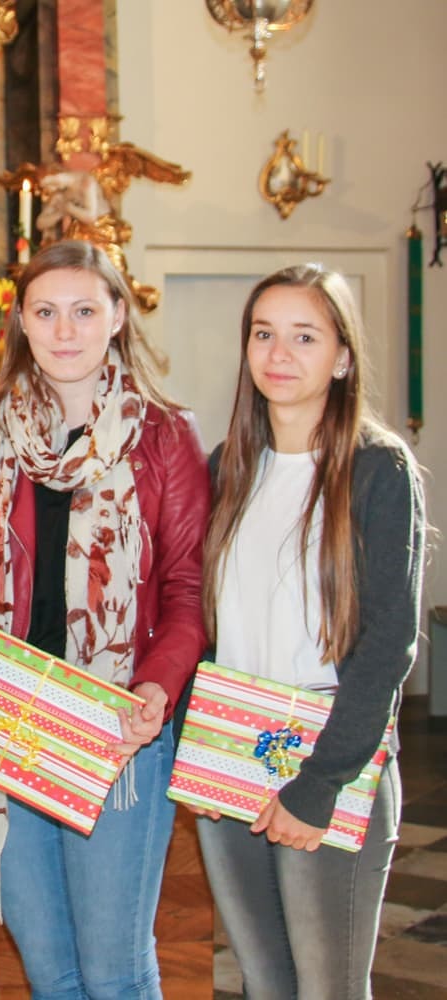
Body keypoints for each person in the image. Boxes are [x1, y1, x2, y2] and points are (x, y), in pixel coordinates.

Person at [0, 239, 209, 998]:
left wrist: (155, 686)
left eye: (84, 310)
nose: (65, 330)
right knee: (51, 974)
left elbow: (189, 587)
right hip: (7, 719)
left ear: (117, 316)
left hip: (115, 724)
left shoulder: (163, 435)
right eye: (46, 312)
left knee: (115, 974)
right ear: (20, 321)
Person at [194, 264, 424, 998]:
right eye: (264, 334)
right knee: (264, 984)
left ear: (343, 357)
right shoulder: (228, 468)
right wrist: (200, 750)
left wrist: (319, 783)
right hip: (233, 751)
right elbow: (206, 625)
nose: (279, 354)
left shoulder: (378, 469)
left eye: (304, 336)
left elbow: (389, 642)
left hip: (330, 759)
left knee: (328, 990)